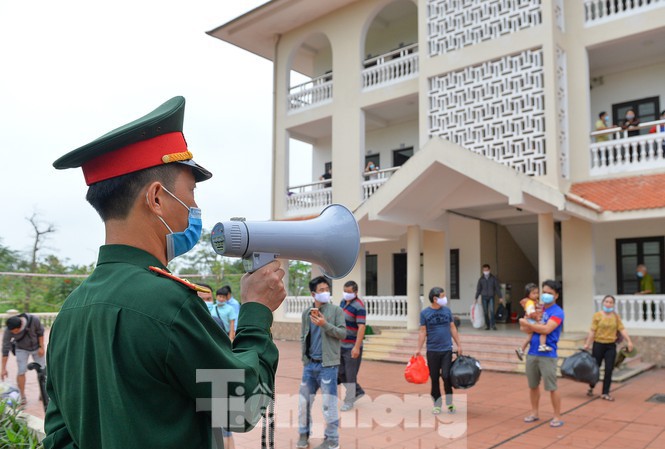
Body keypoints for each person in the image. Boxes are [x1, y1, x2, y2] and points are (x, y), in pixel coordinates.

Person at [45, 96, 286, 449]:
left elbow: (59, 436)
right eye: (190, 193)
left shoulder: (72, 310)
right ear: (156, 198)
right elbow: (243, 407)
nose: (195, 208)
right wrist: (256, 312)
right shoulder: (168, 304)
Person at [297, 276, 345, 449]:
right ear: (313, 294)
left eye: (327, 289)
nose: (325, 293)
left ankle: (332, 440)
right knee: (303, 402)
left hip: (328, 366)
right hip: (310, 366)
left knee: (328, 404)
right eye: (321, 290)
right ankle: (303, 434)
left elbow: (342, 334)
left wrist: (325, 324)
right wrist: (304, 359)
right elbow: (304, 336)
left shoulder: (336, 311)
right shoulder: (306, 313)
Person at [519, 280, 565, 428]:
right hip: (532, 352)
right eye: (544, 292)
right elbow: (525, 329)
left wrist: (529, 325)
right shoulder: (537, 309)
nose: (545, 295)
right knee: (533, 385)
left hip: (548, 354)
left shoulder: (558, 312)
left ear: (556, 295)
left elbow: (546, 330)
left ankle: (557, 416)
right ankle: (534, 412)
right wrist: (528, 325)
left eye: (550, 293)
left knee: (552, 387)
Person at [414, 287, 462, 415]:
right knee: (434, 378)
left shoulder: (447, 311)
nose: (444, 298)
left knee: (446, 376)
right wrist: (418, 348)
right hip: (432, 351)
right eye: (442, 296)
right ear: (435, 299)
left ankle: (450, 402)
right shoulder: (425, 313)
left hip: (446, 350)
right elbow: (422, 331)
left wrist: (459, 345)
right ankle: (437, 404)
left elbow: (452, 327)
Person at [583, 295, 634, 401]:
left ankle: (605, 393)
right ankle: (591, 386)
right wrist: (587, 344)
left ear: (613, 304)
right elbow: (592, 330)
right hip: (598, 344)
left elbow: (622, 329)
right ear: (603, 303)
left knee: (609, 369)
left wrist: (629, 341)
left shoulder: (616, 317)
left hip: (611, 346)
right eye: (606, 301)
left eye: (611, 302)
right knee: (595, 368)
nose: (608, 304)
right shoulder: (597, 315)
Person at [1, 312, 45, 404]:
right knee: (21, 371)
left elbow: (40, 332)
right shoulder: (9, 330)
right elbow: (5, 348)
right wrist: (3, 369)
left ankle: (43, 392)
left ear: (21, 325)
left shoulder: (34, 320)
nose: (14, 333)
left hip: (37, 347)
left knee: (43, 370)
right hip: (21, 349)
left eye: (16, 332)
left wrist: (41, 347)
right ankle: (22, 395)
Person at [338, 280, 366, 412]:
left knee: (350, 375)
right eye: (345, 291)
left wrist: (356, 347)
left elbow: (361, 327)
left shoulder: (359, 306)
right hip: (341, 345)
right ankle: (358, 391)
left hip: (352, 346)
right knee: (340, 373)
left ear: (355, 292)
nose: (346, 294)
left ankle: (349, 401)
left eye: (349, 292)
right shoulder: (343, 303)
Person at [515, 283, 551, 361]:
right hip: (531, 320)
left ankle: (521, 349)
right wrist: (538, 319)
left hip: (530, 320)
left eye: (537, 293)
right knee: (543, 329)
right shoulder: (530, 302)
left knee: (529, 337)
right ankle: (542, 345)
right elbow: (531, 313)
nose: (536, 295)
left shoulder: (534, 301)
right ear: (528, 294)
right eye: (534, 293)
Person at [474, 264, 504, 330]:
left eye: (487, 270)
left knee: (492, 311)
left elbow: (497, 288)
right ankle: (487, 325)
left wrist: (500, 297)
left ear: (489, 270)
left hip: (491, 296)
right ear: (482, 270)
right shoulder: (481, 279)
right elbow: (478, 289)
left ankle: (493, 325)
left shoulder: (493, 278)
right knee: (485, 312)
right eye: (484, 270)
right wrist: (476, 298)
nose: (485, 271)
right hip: (484, 297)